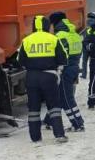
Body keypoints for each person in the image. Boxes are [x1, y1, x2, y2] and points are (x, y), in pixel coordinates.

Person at [18, 15, 69, 145]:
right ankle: (59, 135)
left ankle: (35, 138)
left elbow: (20, 60)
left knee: (33, 109)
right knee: (54, 107)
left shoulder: (27, 40)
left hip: (32, 77)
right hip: (49, 77)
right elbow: (63, 58)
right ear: (47, 26)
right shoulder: (53, 39)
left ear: (34, 26)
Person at [49, 12, 85, 132]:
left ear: (54, 23)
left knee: (66, 99)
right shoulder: (74, 34)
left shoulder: (60, 36)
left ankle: (78, 123)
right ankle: (49, 121)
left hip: (65, 71)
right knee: (60, 96)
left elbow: (59, 56)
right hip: (74, 67)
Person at [80, 12, 95, 79]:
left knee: (84, 61)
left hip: (85, 45)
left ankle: (84, 75)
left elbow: (81, 33)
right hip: (93, 45)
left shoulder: (84, 23)